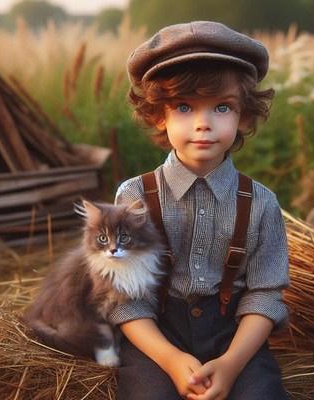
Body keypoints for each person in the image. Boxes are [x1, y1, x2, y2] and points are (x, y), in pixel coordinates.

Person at [108, 21, 290, 400]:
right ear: (159, 114)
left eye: (221, 107)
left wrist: (232, 363)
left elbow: (265, 294)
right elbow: (126, 299)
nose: (203, 124)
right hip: (156, 334)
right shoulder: (133, 196)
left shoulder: (261, 202)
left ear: (243, 116)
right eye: (184, 107)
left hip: (235, 335)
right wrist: (172, 360)